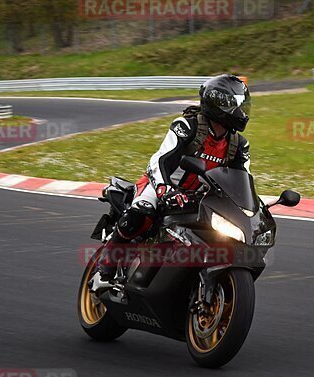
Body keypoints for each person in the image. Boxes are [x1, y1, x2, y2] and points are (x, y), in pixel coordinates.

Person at [97, 74, 252, 280]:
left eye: (243, 105)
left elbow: (243, 180)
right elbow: (160, 160)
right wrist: (164, 188)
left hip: (198, 197)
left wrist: (251, 208)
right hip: (161, 184)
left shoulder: (238, 145)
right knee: (142, 211)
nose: (241, 112)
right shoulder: (187, 126)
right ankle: (106, 265)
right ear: (218, 104)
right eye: (235, 106)